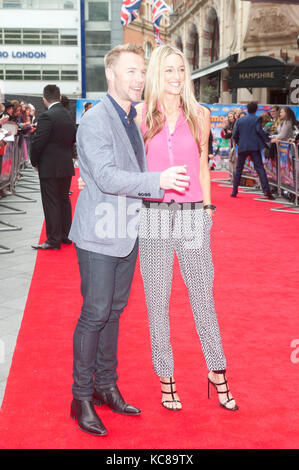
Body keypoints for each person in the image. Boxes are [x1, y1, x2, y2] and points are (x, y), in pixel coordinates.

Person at [69, 43, 190, 436]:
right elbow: (105, 176)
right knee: (95, 313)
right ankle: (81, 397)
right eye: (131, 71)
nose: (139, 78)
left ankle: (106, 385)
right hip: (99, 235)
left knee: (114, 312)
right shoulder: (95, 120)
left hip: (125, 231)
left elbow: (119, 170)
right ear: (111, 75)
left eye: (142, 71)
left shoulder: (130, 118)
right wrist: (158, 180)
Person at [134, 45, 238, 412]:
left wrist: (208, 208)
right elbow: (131, 170)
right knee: (157, 304)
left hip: (194, 215)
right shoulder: (141, 116)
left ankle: (217, 371)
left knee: (203, 299)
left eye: (181, 70)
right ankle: (166, 378)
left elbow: (203, 168)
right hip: (155, 217)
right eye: (169, 71)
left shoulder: (200, 115)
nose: (177, 77)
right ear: (156, 74)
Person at [30, 84, 76, 250]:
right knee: (63, 200)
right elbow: (71, 140)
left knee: (51, 202)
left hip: (50, 166)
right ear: (59, 96)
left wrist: (34, 161)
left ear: (44, 99)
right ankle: (65, 236)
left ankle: (53, 239)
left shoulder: (47, 116)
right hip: (65, 164)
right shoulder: (68, 115)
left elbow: (38, 142)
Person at [231, 102, 274, 199]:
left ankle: (234, 191)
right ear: (256, 110)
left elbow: (235, 135)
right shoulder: (257, 118)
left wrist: (239, 143)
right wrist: (268, 139)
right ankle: (267, 191)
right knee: (259, 168)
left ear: (247, 109)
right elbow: (259, 130)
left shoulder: (240, 120)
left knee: (239, 169)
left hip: (243, 146)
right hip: (254, 147)